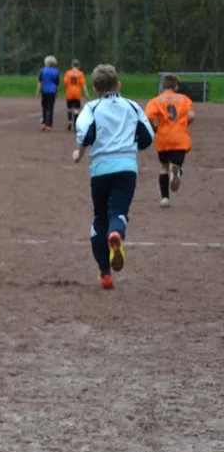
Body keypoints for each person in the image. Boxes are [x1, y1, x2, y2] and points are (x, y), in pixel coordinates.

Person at [72, 64, 154, 289]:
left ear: (94, 88)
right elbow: (148, 136)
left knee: (99, 219)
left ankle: (105, 274)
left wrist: (79, 150)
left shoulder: (92, 108)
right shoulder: (132, 106)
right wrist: (129, 144)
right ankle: (116, 232)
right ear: (118, 84)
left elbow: (85, 131)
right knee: (118, 211)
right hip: (127, 167)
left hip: (101, 169)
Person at [144, 73, 195, 208]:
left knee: (163, 167)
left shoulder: (155, 101)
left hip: (163, 138)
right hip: (180, 138)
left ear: (162, 87)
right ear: (176, 86)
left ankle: (165, 198)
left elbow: (147, 117)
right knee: (176, 164)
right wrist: (184, 124)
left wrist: (155, 128)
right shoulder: (185, 99)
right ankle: (176, 171)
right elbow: (191, 116)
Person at [63, 58, 90, 132]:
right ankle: (75, 125)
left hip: (69, 92)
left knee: (69, 108)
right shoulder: (80, 73)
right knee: (76, 109)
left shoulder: (68, 72)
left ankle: (69, 122)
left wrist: (68, 87)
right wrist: (86, 93)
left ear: (72, 65)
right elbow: (83, 84)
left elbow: (65, 82)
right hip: (77, 93)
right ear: (79, 66)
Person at [36, 55, 60, 131]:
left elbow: (40, 82)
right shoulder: (56, 72)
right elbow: (57, 84)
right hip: (52, 91)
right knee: (51, 108)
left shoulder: (42, 70)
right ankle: (49, 125)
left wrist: (38, 92)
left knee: (44, 107)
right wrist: (57, 92)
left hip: (45, 90)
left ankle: (43, 123)